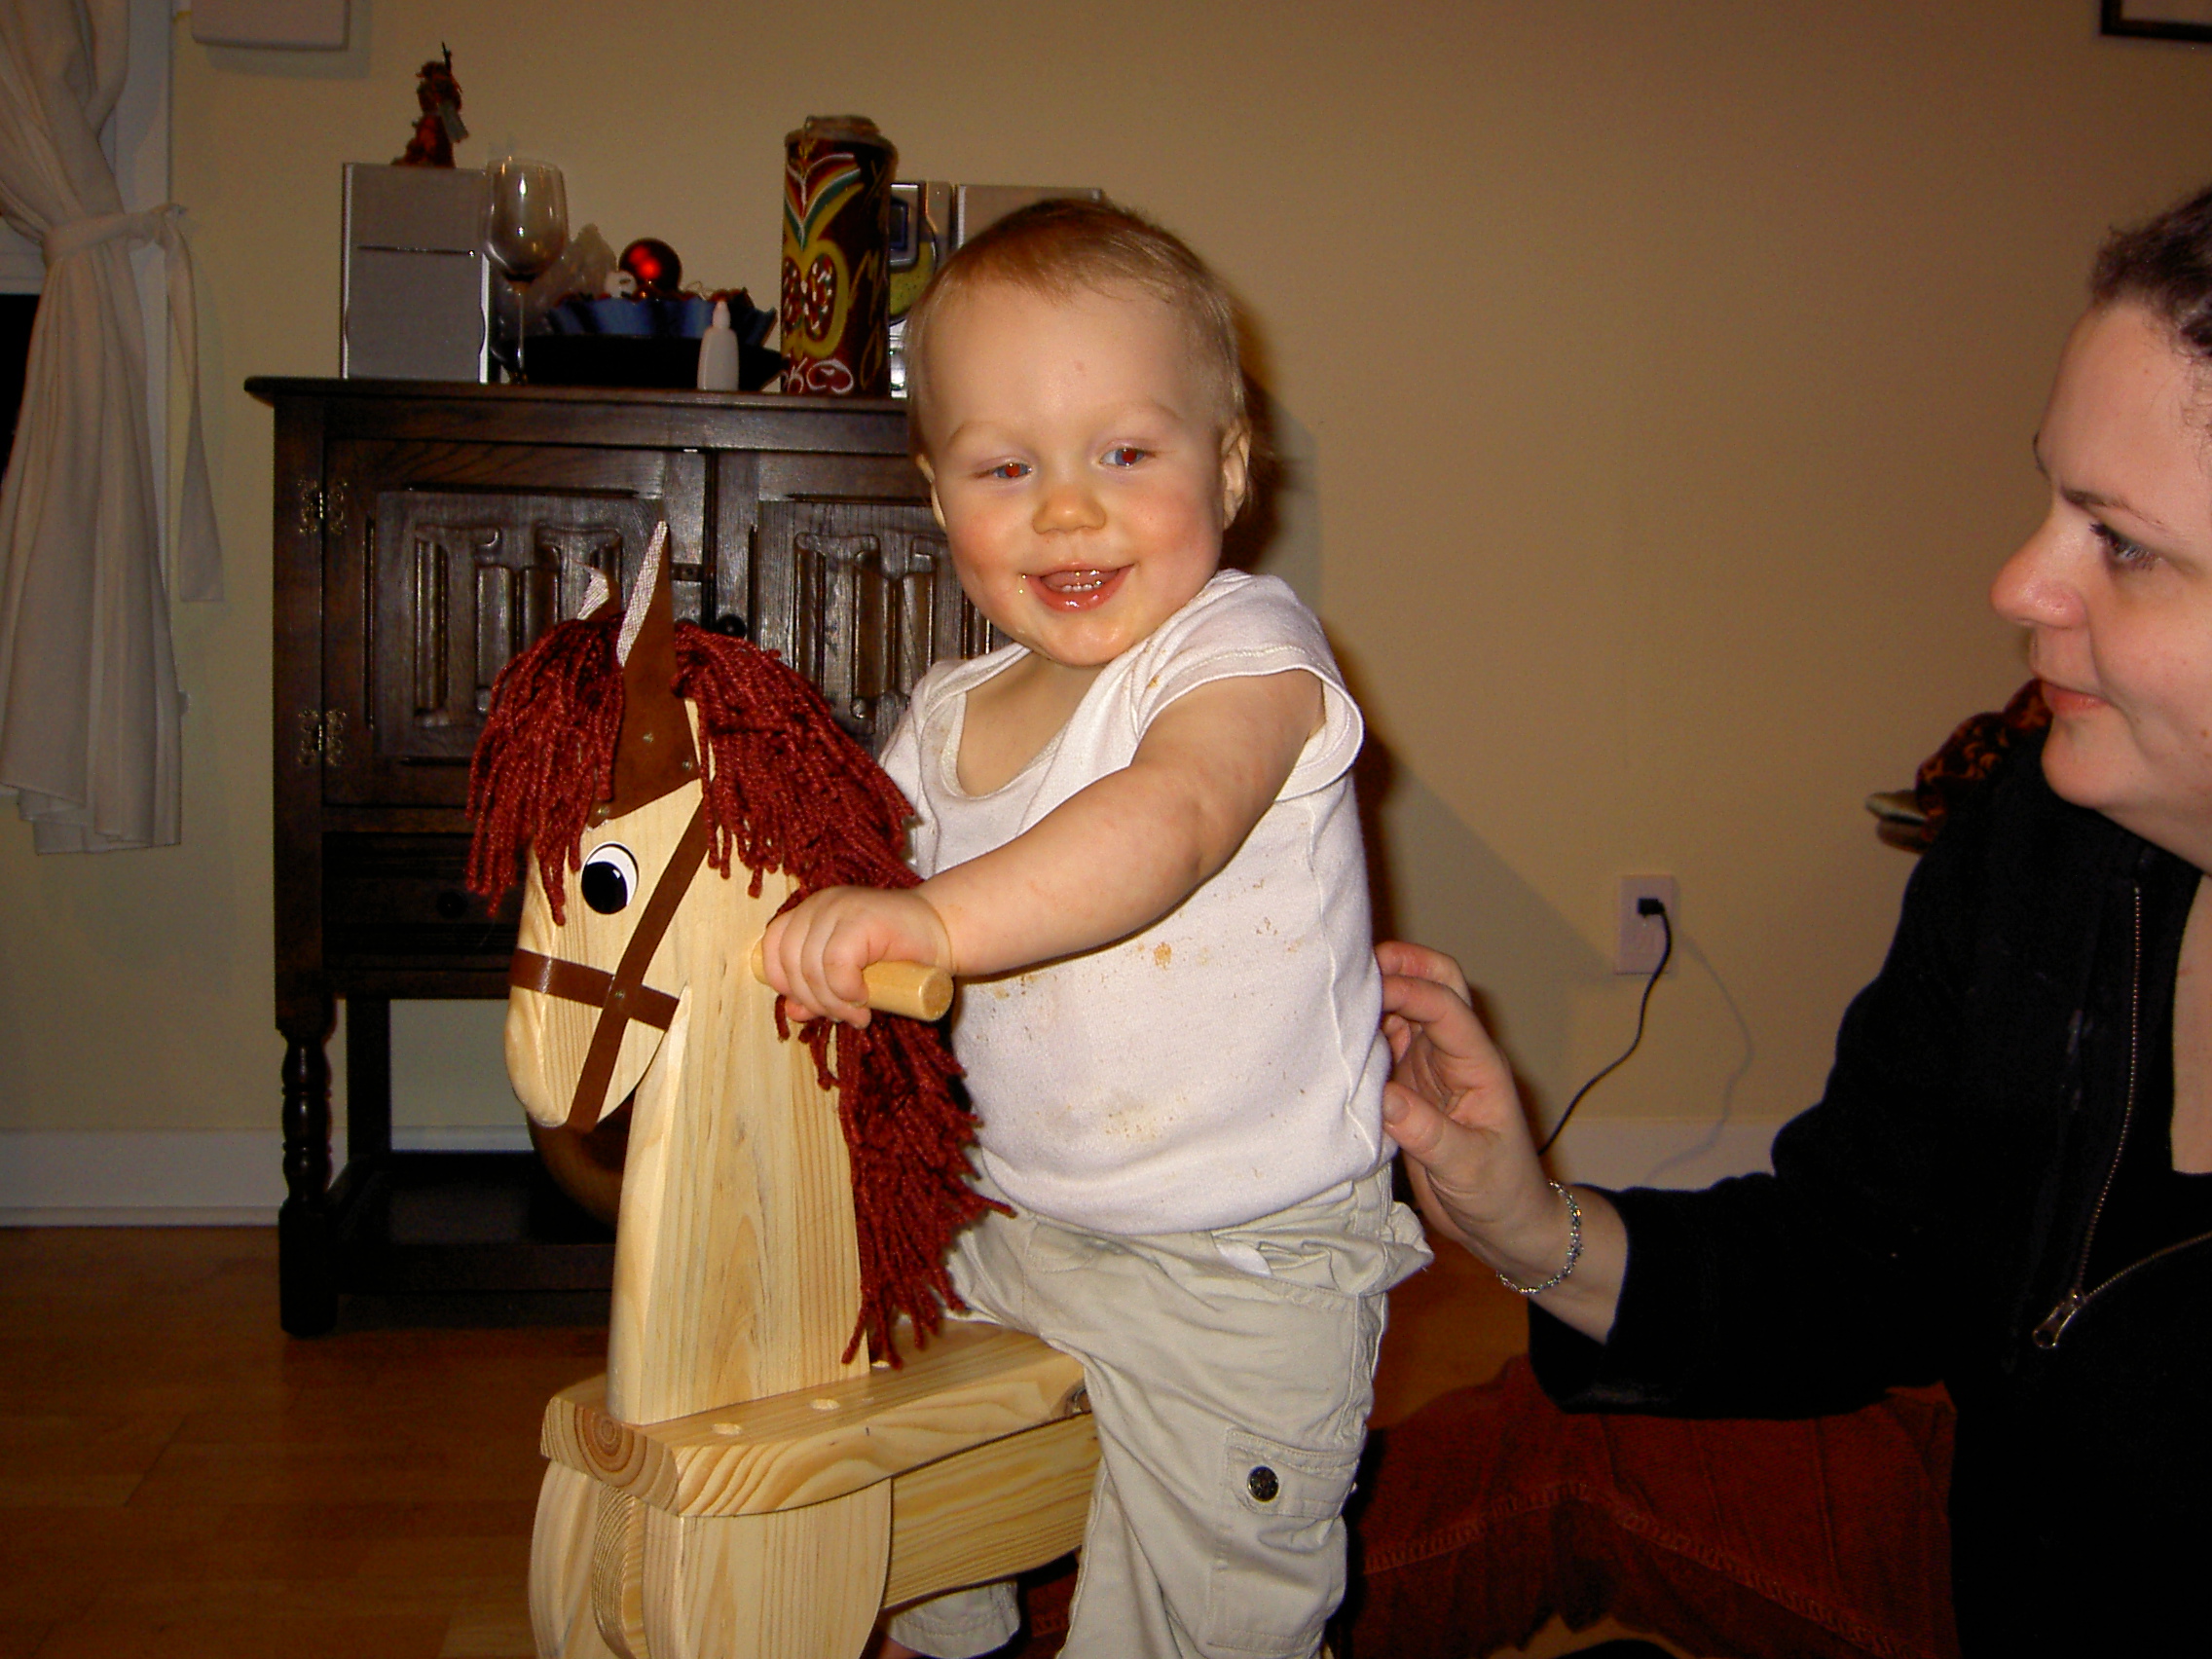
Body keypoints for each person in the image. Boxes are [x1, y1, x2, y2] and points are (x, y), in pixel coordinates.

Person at [1366, 179, 2212, 1656]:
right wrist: (1530, 1224)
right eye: (2051, 501)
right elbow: (1858, 1259)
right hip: (1991, 1520)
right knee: (1535, 1452)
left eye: (2122, 543)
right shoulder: (2036, 841)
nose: (2019, 582)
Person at [759, 200, 1428, 1659]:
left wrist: (926, 918)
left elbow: (1165, 823)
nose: (1067, 510)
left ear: (1230, 467)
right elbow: (837, 877)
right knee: (908, 1503)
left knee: (1196, 1621)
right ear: (938, 495)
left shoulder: (1242, 657)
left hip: (1235, 1262)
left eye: (1124, 454)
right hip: (1010, 1226)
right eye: (1007, 467)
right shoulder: (943, 720)